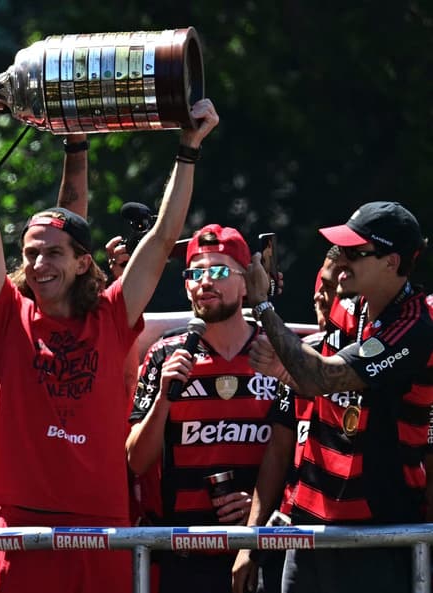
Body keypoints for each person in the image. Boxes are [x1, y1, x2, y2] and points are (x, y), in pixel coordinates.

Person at [0, 73, 218, 593]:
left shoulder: (111, 317)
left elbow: (161, 241)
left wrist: (188, 148)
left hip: (102, 524)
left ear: (81, 262)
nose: (38, 262)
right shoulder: (5, 316)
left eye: (52, 252)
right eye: (29, 253)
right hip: (23, 524)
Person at [244, 201, 431, 593]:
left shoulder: (418, 324)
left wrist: (263, 305)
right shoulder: (347, 308)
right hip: (309, 527)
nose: (342, 260)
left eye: (355, 253)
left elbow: (321, 378)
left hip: (378, 534)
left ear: (392, 262)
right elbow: (314, 381)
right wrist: (283, 369)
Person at [126, 225, 276, 593]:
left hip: (260, 550)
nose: (204, 282)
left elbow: (300, 452)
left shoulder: (274, 352)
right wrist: (164, 398)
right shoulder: (165, 354)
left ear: (246, 284)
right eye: (195, 273)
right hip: (185, 552)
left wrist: (257, 508)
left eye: (220, 271)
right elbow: (134, 460)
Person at [231, 247, 342, 593]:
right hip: (292, 533)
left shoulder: (381, 353)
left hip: (361, 534)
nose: (325, 299)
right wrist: (251, 541)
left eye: (335, 291)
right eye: (320, 292)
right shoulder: (300, 353)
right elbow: (277, 454)